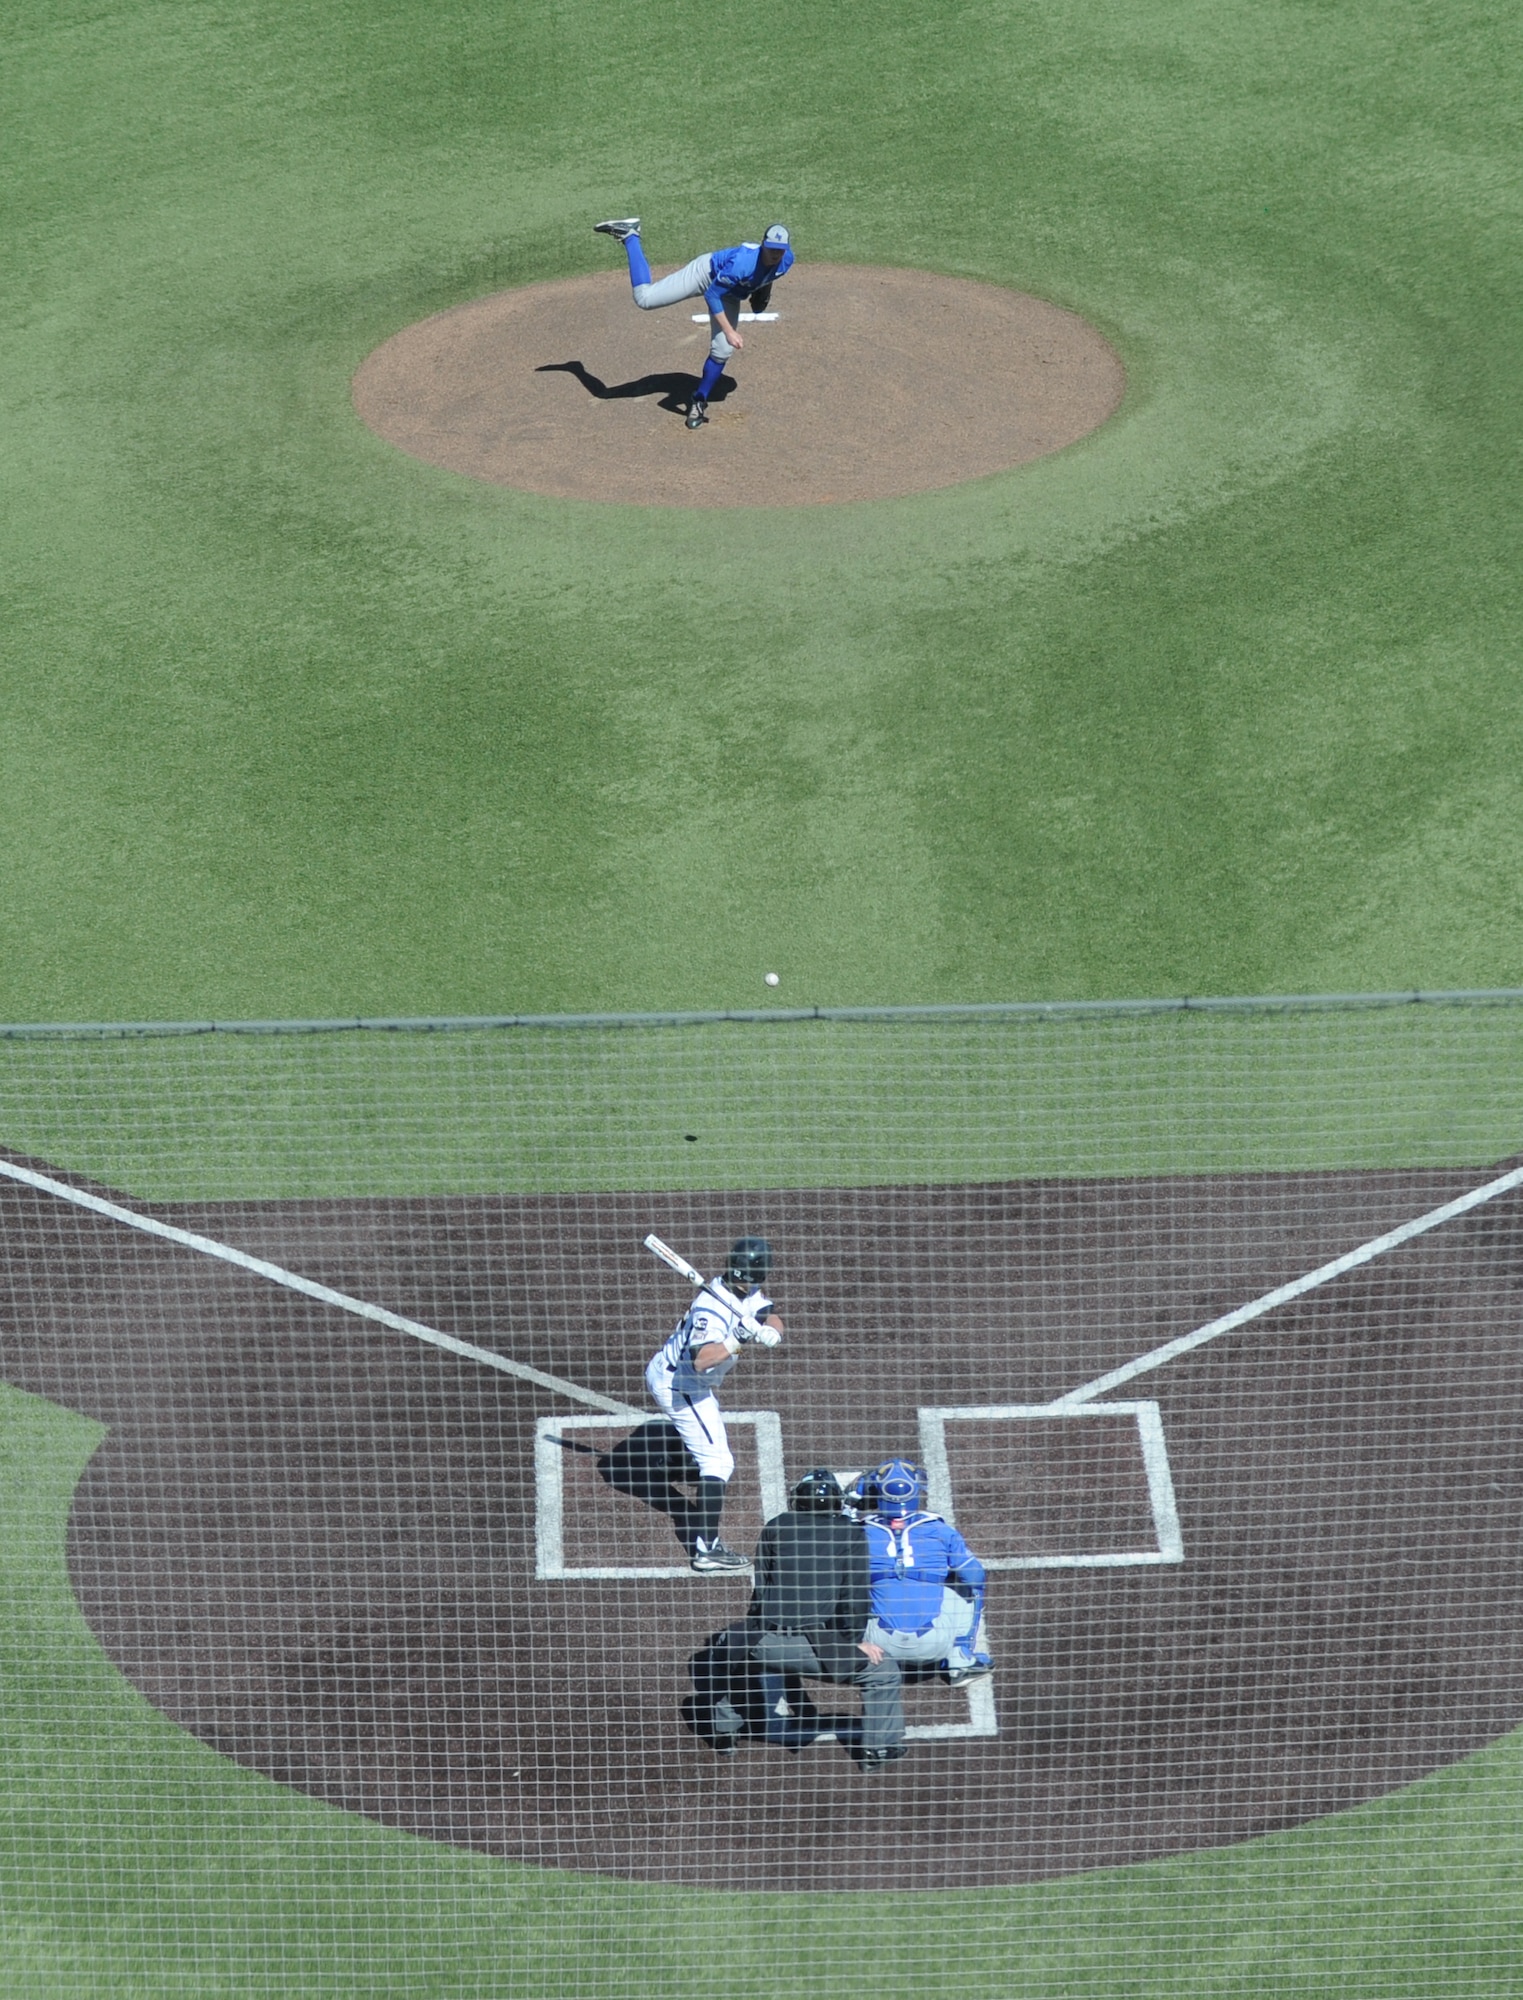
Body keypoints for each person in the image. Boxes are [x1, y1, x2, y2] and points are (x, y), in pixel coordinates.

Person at [740, 1468, 908, 1770]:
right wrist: (855, 1642)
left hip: (761, 1640)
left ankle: (720, 1727)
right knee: (884, 1673)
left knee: (745, 1660)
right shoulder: (849, 1533)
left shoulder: (776, 1526)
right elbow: (854, 1597)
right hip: (812, 1643)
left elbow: (761, 1587)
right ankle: (878, 1750)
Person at [636, 1236, 783, 1573]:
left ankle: (673, 1462)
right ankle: (707, 1549)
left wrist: (773, 1331)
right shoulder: (710, 1308)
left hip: (682, 1378)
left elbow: (769, 1313)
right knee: (718, 1462)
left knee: (706, 1444)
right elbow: (702, 1360)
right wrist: (738, 1339)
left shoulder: (741, 1288)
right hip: (681, 1385)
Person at [593, 217, 795, 429]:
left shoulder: (787, 260)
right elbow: (712, 294)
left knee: (723, 351)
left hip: (730, 295)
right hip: (705, 275)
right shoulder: (742, 264)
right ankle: (631, 235)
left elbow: (771, 274)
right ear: (763, 245)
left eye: (780, 250)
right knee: (645, 299)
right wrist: (729, 332)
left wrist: (763, 292)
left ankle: (699, 400)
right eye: (771, 249)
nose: (775, 254)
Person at [847, 1459, 996, 1687]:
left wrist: (852, 1498)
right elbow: (975, 1577)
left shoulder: (857, 1532)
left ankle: (846, 1648)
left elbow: (836, 1524)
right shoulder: (940, 1530)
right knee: (968, 1584)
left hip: (876, 1644)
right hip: (935, 1643)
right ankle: (960, 1660)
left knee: (847, 1581)